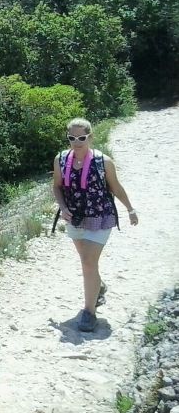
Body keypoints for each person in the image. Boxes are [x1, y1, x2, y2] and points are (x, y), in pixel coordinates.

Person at [51, 117, 138, 332]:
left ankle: (89, 312)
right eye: (72, 137)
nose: (77, 141)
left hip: (100, 216)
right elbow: (57, 187)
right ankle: (97, 287)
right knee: (87, 263)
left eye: (81, 137)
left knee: (89, 263)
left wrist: (130, 209)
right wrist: (63, 207)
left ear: (90, 136)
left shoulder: (103, 161)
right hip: (75, 217)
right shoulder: (61, 159)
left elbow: (115, 188)